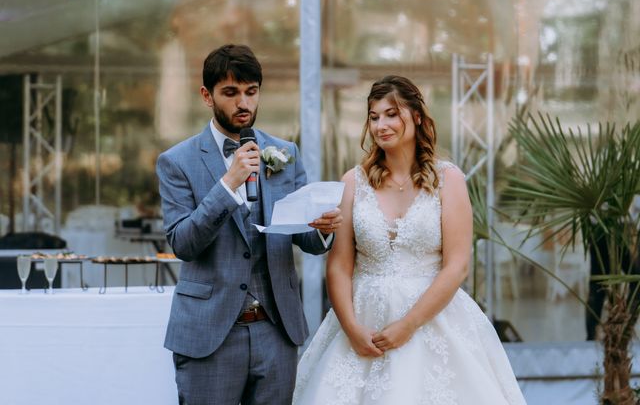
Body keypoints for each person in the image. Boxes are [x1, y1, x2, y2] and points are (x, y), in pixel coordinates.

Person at [293, 75, 526, 404]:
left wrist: (408, 324)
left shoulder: (448, 179)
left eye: (391, 114)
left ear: (417, 116)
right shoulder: (353, 182)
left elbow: (457, 266)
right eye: (374, 117)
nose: (381, 125)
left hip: (432, 322)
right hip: (363, 323)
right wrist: (351, 329)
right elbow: (340, 267)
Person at [156, 44, 342, 405]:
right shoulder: (176, 162)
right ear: (207, 96)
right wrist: (228, 184)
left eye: (251, 92)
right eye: (231, 93)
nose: (243, 103)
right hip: (210, 333)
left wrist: (322, 228)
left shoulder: (284, 153)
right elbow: (183, 243)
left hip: (276, 329)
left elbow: (306, 236)